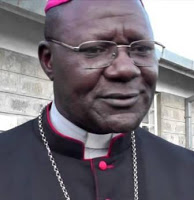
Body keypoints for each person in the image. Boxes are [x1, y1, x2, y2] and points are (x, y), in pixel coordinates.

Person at [0, 0, 194, 199]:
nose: (126, 69)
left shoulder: (187, 170)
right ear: (49, 60)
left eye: (141, 49)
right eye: (95, 49)